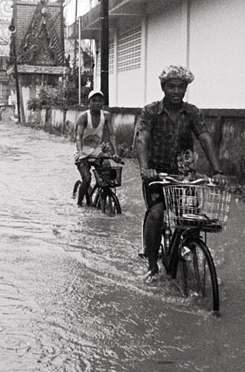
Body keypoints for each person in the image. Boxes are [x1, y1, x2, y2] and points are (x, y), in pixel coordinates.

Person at [136, 65, 227, 281]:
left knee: (192, 220)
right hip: (157, 175)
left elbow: (204, 137)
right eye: (172, 87)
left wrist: (217, 170)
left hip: (184, 174)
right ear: (163, 87)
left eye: (181, 87)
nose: (176, 91)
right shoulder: (151, 111)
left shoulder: (192, 112)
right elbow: (142, 139)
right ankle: (152, 265)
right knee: (156, 214)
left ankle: (188, 251)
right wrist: (145, 168)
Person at [74, 89, 119, 206]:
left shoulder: (107, 116)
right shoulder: (83, 117)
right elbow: (78, 137)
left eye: (99, 101)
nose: (97, 103)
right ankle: (79, 203)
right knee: (87, 179)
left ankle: (103, 196)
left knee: (108, 174)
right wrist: (80, 154)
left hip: (97, 151)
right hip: (82, 152)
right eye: (94, 101)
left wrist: (116, 153)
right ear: (89, 103)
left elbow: (112, 134)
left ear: (103, 103)